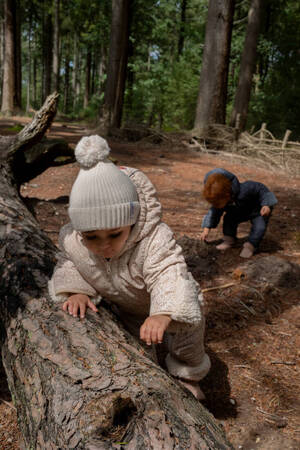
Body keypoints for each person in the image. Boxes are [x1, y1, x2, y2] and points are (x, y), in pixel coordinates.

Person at [49, 135, 210, 400]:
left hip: (174, 308)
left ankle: (188, 376)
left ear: (132, 221)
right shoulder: (74, 241)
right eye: (92, 237)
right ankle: (155, 377)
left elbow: (170, 272)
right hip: (131, 308)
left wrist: (164, 313)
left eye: (114, 234)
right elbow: (70, 262)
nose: (104, 246)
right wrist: (77, 291)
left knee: (186, 342)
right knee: (139, 343)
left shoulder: (153, 240)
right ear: (80, 231)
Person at [200, 168, 277, 258]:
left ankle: (251, 245)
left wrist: (266, 204)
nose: (219, 205)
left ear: (227, 194)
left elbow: (262, 190)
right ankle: (229, 239)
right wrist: (206, 229)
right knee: (228, 219)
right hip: (236, 213)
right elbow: (213, 213)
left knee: (260, 227)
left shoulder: (246, 189)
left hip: (258, 211)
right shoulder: (221, 201)